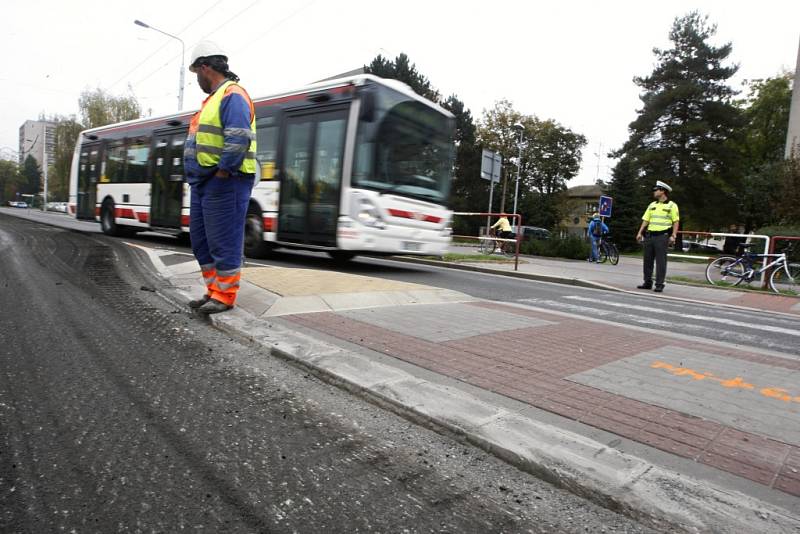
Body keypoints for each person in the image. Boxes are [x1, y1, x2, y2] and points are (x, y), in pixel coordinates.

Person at [184, 41, 257, 314]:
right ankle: (214, 290)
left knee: (223, 240)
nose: (197, 80)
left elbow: (238, 137)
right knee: (201, 241)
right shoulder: (214, 98)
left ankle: (225, 297)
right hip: (204, 181)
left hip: (226, 180)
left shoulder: (232, 94)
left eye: (196, 74)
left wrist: (224, 170)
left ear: (205, 67)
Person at [635, 180, 680, 293]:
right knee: (647, 260)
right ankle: (647, 282)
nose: (654, 192)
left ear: (662, 191)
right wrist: (640, 232)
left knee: (661, 262)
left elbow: (675, 221)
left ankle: (659, 284)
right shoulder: (652, 205)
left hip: (662, 236)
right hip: (649, 236)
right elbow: (646, 220)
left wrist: (673, 235)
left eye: (656, 190)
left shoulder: (672, 205)